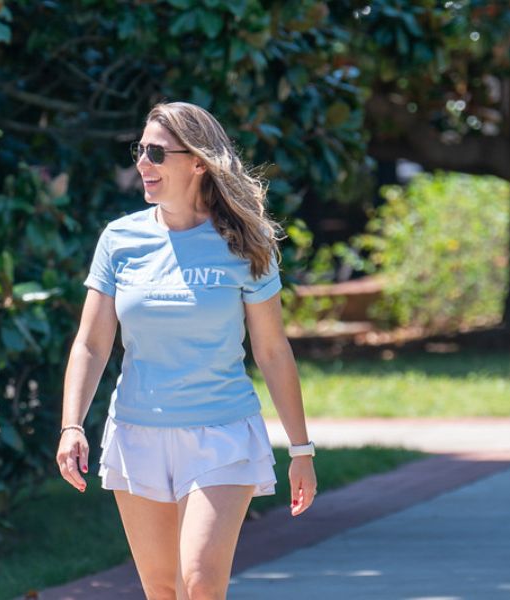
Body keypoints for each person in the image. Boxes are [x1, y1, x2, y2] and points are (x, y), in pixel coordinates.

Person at [54, 102, 318, 600]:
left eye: (156, 153)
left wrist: (301, 451)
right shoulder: (120, 240)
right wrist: (72, 425)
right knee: (161, 589)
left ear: (198, 161)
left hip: (222, 435)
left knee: (199, 582)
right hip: (137, 435)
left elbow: (272, 351)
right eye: (140, 151)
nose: (142, 164)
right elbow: (91, 342)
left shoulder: (245, 242)